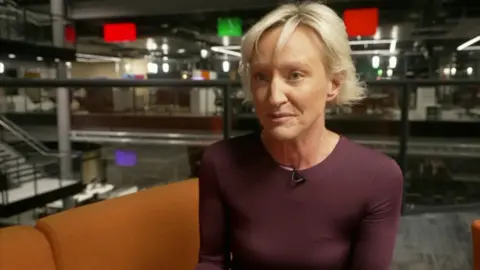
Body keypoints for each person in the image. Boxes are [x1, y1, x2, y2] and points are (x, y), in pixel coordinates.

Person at [195, 2, 403, 270]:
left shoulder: (377, 177)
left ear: (333, 84)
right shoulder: (220, 162)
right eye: (261, 77)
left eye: (294, 75)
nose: (274, 97)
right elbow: (212, 261)